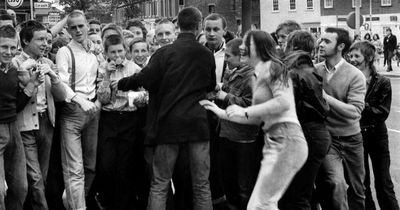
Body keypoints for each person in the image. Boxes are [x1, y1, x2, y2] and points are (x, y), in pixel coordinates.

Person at [116, 7, 215, 210]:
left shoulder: (164, 53)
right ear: (198, 26)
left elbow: (144, 79)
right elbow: (210, 85)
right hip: (197, 123)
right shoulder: (206, 54)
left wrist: (120, 83)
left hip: (169, 124)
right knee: (202, 185)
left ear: (177, 26)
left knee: (160, 183)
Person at [200, 30, 308, 210]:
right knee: (263, 203)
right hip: (275, 140)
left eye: (246, 45)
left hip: (288, 139)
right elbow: (255, 119)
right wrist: (220, 112)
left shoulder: (273, 68)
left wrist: (242, 110)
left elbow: (282, 103)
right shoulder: (257, 73)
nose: (241, 48)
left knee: (260, 202)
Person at [12, 20, 66, 210]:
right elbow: (19, 96)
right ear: (26, 41)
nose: (46, 43)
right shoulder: (16, 62)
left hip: (47, 123)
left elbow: (61, 97)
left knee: (41, 176)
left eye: (47, 39)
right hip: (25, 126)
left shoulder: (48, 62)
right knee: (34, 179)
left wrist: (53, 75)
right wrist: (25, 72)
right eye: (40, 39)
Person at [277, 30, 331, 210]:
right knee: (302, 192)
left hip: (305, 135)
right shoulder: (309, 69)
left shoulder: (293, 72)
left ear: (292, 46)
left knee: (297, 196)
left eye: (285, 44)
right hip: (315, 135)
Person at [315, 27, 366, 210]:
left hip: (352, 139)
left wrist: (324, 96)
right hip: (329, 141)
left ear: (340, 46)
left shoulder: (355, 75)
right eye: (321, 40)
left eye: (327, 41)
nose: (321, 44)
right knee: (335, 184)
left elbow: (355, 112)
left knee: (357, 189)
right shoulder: (315, 71)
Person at [96, 34, 148, 210]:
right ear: (106, 53)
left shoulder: (134, 69)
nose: (117, 55)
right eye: (113, 52)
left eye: (120, 51)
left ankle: (124, 204)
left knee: (125, 166)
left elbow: (144, 97)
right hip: (109, 118)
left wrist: (133, 95)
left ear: (125, 51)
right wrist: (107, 75)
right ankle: (107, 201)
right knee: (106, 164)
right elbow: (102, 98)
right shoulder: (103, 68)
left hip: (129, 118)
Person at [56, 10, 101, 210]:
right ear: (68, 29)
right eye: (73, 27)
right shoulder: (64, 52)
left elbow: (101, 79)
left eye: (80, 26)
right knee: (75, 169)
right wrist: (80, 100)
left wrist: (98, 101)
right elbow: (60, 83)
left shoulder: (93, 50)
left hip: (93, 111)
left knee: (90, 167)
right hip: (72, 112)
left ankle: (74, 202)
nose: (77, 30)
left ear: (87, 26)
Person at [348, 41, 400, 210]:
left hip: (377, 135)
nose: (352, 59)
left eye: (357, 56)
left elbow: (382, 112)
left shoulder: (382, 81)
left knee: (384, 182)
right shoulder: (348, 78)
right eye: (351, 55)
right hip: (356, 135)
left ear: (369, 58)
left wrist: (360, 103)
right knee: (361, 183)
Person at [0, 24, 42, 210]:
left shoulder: (12, 71)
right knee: (0, 190)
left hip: (13, 129)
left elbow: (16, 106)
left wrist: (32, 85)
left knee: (20, 187)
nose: (8, 52)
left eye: (12, 48)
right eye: (3, 47)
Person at [215, 38, 259, 210]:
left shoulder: (252, 77)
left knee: (244, 184)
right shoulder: (232, 72)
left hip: (243, 139)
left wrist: (225, 97)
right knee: (229, 179)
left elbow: (252, 107)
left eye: (228, 56)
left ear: (241, 56)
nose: (225, 59)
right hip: (227, 133)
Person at [203, 12, 228, 209]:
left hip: (226, 108)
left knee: (225, 155)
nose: (211, 34)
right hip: (203, 110)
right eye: (207, 29)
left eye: (215, 29)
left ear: (224, 31)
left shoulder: (233, 52)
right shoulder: (198, 52)